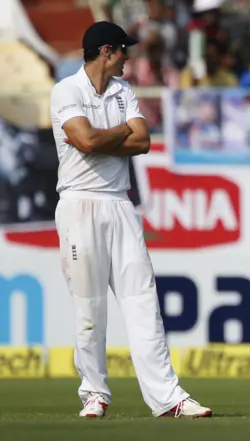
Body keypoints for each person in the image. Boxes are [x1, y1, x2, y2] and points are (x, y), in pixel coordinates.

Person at [49, 21, 212, 419]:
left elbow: (142, 141)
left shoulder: (124, 92)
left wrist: (107, 134)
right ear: (107, 51)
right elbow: (84, 142)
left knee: (143, 302)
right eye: (123, 50)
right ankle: (94, 393)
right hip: (79, 203)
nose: (128, 57)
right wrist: (115, 135)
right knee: (89, 308)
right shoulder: (66, 91)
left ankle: (168, 398)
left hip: (120, 204)